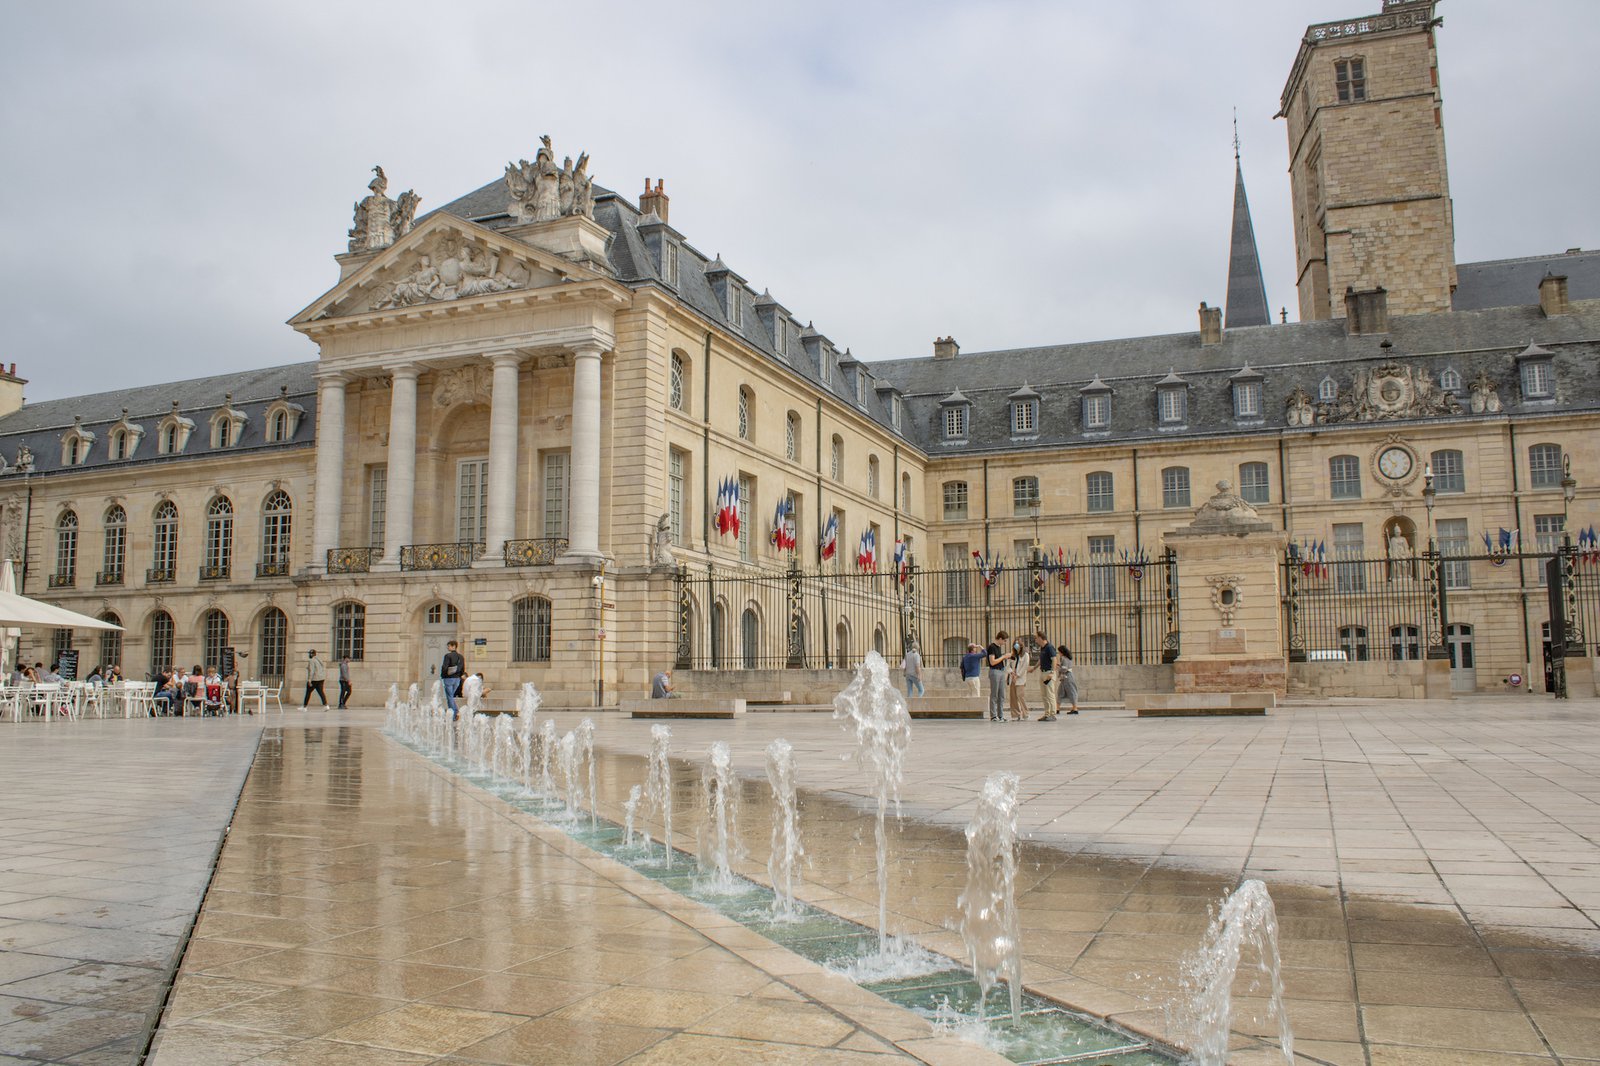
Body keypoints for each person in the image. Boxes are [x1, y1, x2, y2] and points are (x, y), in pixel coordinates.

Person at [1034, 632, 1060, 721]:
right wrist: (1034, 668)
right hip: (1042, 672)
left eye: (1036, 638)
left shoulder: (1049, 647)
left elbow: (1054, 659)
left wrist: (1052, 672)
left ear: (1041, 638)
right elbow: (1041, 660)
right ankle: (1047, 713)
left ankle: (1052, 714)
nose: (1035, 640)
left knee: (1050, 694)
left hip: (1048, 673)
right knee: (1044, 695)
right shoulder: (1042, 648)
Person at [985, 631, 1011, 722]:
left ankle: (1001, 715)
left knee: (1002, 695)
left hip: (1001, 671)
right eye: (1004, 641)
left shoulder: (998, 648)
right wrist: (1003, 657)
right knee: (994, 694)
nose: (1004, 643)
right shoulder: (991, 647)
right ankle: (993, 715)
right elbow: (992, 662)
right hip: (995, 671)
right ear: (1000, 639)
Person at [440, 640, 466, 720]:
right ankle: (456, 711)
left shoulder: (448, 656)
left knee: (450, 697)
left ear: (453, 646)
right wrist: (459, 675)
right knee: (451, 696)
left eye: (449, 646)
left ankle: (454, 715)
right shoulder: (461, 657)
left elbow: (444, 667)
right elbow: (463, 668)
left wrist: (443, 675)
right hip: (457, 679)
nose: (448, 647)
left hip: (449, 678)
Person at [1007, 638, 1031, 721]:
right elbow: (1008, 666)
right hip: (1012, 678)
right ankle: (1015, 714)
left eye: (1018, 644)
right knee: (1013, 697)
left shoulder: (1025, 655)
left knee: (1020, 696)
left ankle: (1025, 713)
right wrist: (1011, 673)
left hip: (1020, 679)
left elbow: (1025, 666)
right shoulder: (1012, 655)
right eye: (1015, 644)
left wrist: (1017, 675)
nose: (1016, 645)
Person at [1058, 644, 1080, 715]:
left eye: (1059, 652)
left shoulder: (1064, 658)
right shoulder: (1068, 658)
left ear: (1061, 652)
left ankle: (1075, 708)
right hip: (1066, 677)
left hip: (1067, 677)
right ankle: (1057, 708)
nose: (1058, 653)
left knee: (1071, 692)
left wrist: (1058, 667)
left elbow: (1064, 669)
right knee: (1060, 692)